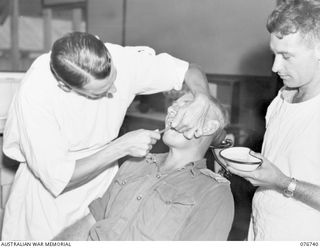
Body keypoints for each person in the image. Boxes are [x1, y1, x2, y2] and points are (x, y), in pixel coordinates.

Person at [2, 32, 221, 240]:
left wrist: (203, 97)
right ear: (65, 86)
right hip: (45, 200)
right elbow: (61, 178)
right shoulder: (37, 93)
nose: (114, 91)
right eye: (101, 92)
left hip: (101, 187)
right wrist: (120, 148)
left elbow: (189, 70)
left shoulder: (122, 58)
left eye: (114, 78)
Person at [53, 95, 234, 241]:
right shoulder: (134, 163)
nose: (171, 110)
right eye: (173, 105)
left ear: (209, 127)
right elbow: (90, 222)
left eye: (185, 106)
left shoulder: (214, 192)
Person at [228, 0, 320, 241]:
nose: (276, 66)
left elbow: (279, 178)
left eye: (286, 56)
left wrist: (281, 182)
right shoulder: (281, 100)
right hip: (263, 231)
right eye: (274, 54)